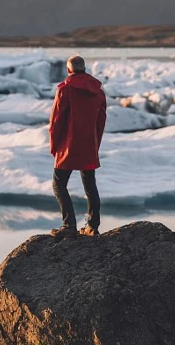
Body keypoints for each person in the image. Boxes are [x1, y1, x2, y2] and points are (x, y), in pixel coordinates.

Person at [48, 54, 107, 238]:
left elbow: (56, 121)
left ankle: (69, 225)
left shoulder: (65, 89)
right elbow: (101, 120)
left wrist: (54, 145)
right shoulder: (97, 91)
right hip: (88, 144)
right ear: (85, 69)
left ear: (68, 70)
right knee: (90, 185)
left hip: (68, 145)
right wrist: (95, 142)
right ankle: (92, 226)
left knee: (58, 185)